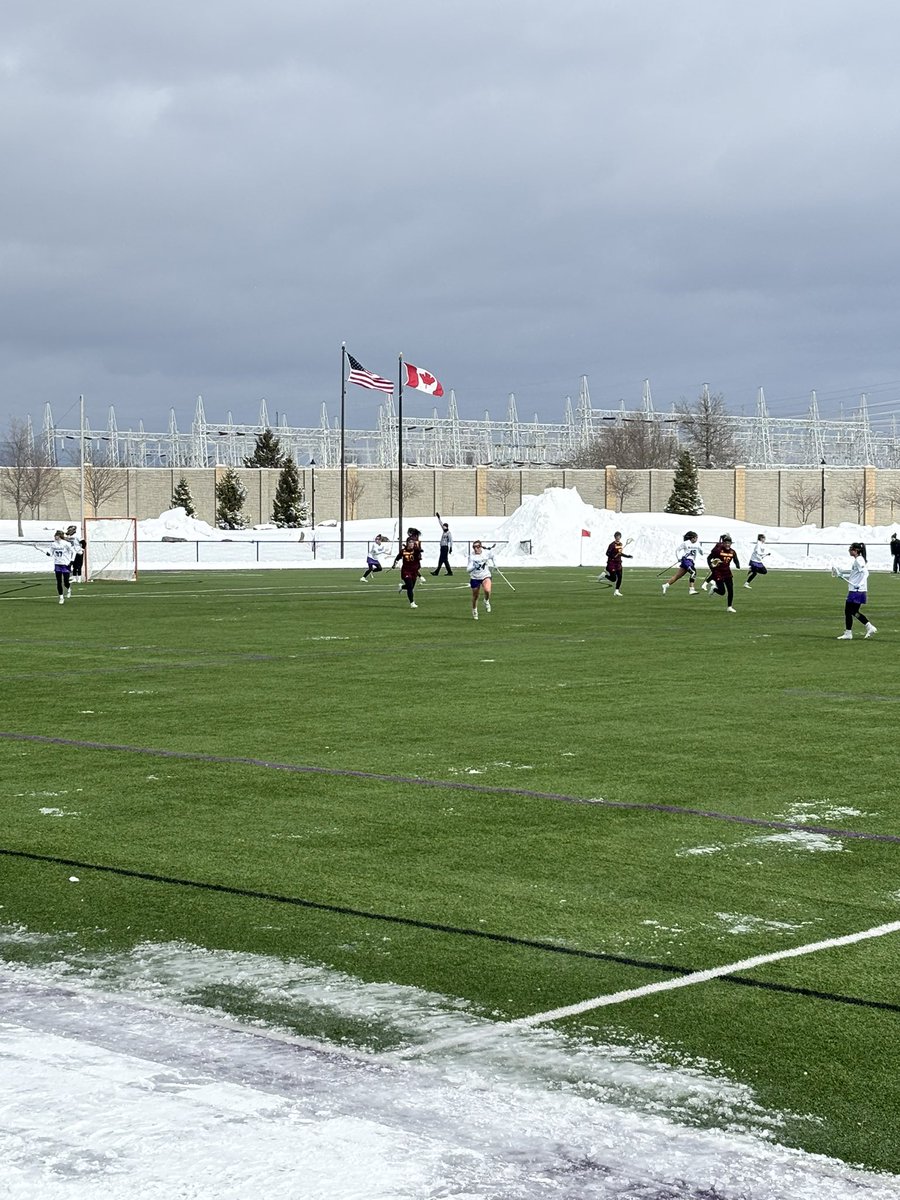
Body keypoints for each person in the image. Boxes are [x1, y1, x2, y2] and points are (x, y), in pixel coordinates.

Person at [834, 542, 877, 639]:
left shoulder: (859, 560)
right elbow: (855, 575)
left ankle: (849, 633)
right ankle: (869, 626)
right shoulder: (858, 560)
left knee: (848, 611)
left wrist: (860, 584)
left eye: (851, 549)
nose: (849, 550)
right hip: (857, 590)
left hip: (857, 591)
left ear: (856, 550)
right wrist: (842, 575)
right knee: (853, 611)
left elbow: (866, 573)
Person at [704, 533, 740, 612]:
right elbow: (709, 558)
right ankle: (714, 589)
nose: (727, 544)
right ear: (723, 543)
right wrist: (711, 566)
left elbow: (735, 559)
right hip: (718, 572)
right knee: (722, 592)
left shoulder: (732, 552)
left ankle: (729, 607)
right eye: (726, 543)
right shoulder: (718, 551)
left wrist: (738, 565)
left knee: (731, 590)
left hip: (727, 572)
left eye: (729, 543)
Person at [466, 539, 495, 619]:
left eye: (478, 547)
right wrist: (474, 567)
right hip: (475, 577)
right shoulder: (472, 556)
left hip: (485, 575)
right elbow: (468, 570)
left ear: (481, 547)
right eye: (474, 547)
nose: (476, 549)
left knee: (487, 590)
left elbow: (492, 556)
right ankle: (474, 610)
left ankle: (486, 601)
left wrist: (495, 565)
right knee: (475, 596)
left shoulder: (485, 553)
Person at [46, 530, 75, 604]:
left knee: (65, 581)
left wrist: (72, 560)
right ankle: (61, 597)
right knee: (59, 582)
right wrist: (48, 553)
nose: (55, 537)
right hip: (57, 564)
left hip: (65, 564)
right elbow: (51, 552)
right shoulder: (53, 544)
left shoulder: (66, 544)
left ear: (59, 536)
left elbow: (73, 552)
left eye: (56, 535)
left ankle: (68, 588)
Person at [392, 535, 422, 608]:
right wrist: (394, 564)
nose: (411, 544)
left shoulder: (415, 550)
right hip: (406, 571)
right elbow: (398, 557)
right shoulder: (403, 551)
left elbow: (419, 551)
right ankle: (412, 603)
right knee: (409, 586)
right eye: (410, 542)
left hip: (414, 571)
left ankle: (401, 586)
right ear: (407, 543)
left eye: (412, 542)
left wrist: (418, 549)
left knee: (411, 587)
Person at [601, 532, 632, 596]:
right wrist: (612, 556)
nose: (618, 537)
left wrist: (627, 556)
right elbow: (607, 553)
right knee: (613, 579)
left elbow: (620, 553)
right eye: (617, 536)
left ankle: (616, 591)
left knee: (620, 577)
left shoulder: (620, 544)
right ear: (615, 537)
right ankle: (605, 575)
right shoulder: (612, 545)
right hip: (612, 563)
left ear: (620, 537)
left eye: (619, 536)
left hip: (618, 563)